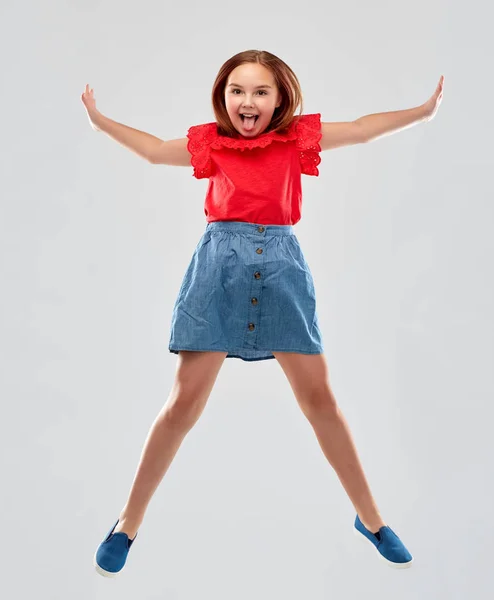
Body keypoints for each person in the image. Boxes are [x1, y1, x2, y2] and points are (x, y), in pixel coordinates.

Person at [82, 49, 444, 577]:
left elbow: (364, 129)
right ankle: (127, 523)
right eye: (237, 91)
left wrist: (421, 111)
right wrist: (100, 120)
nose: (246, 102)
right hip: (218, 270)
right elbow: (156, 150)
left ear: (280, 100)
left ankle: (372, 520)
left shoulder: (297, 139)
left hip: (280, 270)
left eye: (260, 92)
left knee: (320, 399)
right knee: (183, 403)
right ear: (222, 96)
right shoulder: (211, 142)